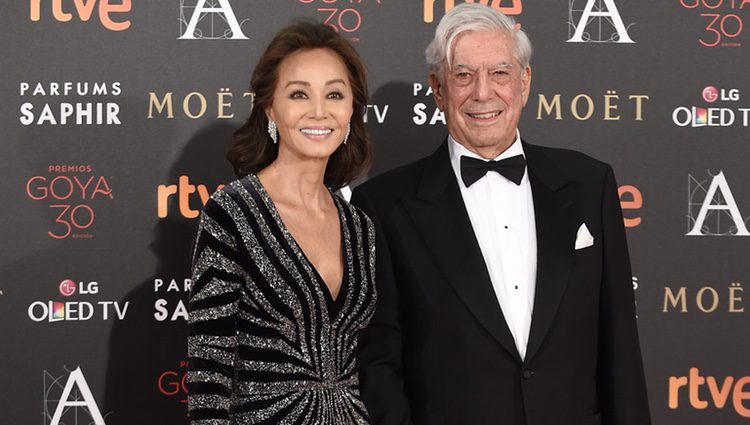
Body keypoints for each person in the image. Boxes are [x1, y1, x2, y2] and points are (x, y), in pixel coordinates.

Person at [351, 4, 651, 425]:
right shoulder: (383, 207)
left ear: (524, 82)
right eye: (463, 75)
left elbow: (620, 345)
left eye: (500, 73)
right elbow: (378, 364)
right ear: (438, 89)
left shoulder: (590, 183)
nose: (482, 93)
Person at [187, 21, 376, 425]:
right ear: (270, 108)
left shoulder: (360, 226)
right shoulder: (233, 212)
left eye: (335, 94)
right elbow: (209, 364)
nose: (319, 111)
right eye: (299, 94)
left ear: (350, 111)